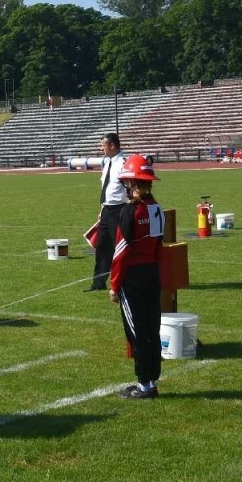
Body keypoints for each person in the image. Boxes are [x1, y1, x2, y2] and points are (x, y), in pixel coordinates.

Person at [107, 154, 164, 399]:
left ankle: (144, 386)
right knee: (152, 329)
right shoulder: (157, 209)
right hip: (152, 275)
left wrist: (113, 284)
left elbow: (121, 251)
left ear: (132, 184)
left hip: (132, 279)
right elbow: (158, 247)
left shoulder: (130, 211)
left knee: (137, 332)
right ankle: (151, 381)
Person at [87, 132, 129, 291]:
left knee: (120, 248)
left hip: (120, 210)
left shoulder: (125, 162)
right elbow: (107, 188)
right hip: (107, 210)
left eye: (103, 145)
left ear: (112, 145)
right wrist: (102, 208)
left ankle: (123, 282)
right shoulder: (107, 162)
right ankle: (98, 283)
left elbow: (130, 187)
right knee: (102, 248)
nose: (101, 148)